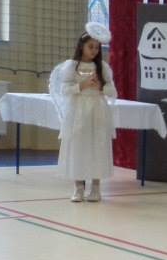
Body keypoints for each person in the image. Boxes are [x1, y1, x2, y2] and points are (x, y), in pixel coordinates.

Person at [49, 22, 117, 203]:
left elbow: (112, 91)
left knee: (97, 145)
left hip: (97, 109)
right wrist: (82, 86)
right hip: (78, 110)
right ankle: (78, 187)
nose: (94, 51)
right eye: (90, 47)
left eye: (97, 47)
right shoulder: (71, 66)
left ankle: (96, 187)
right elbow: (64, 89)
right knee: (78, 145)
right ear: (81, 46)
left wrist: (101, 87)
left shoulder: (102, 67)